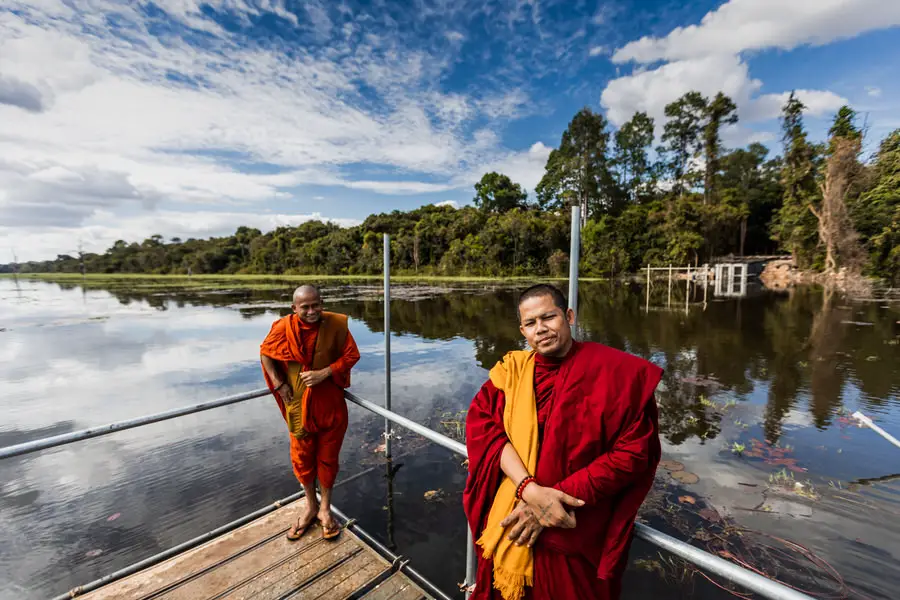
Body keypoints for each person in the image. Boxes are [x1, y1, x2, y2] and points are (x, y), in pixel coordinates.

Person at [463, 284, 663, 600]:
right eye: (531, 323)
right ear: (522, 330)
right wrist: (528, 490)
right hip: (514, 516)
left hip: (573, 522)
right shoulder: (513, 371)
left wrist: (551, 502)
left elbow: (632, 453)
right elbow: (483, 428)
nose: (541, 329)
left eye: (549, 317)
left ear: (568, 316)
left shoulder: (614, 371)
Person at [260, 285, 360, 541]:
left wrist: (324, 373)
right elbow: (265, 353)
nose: (312, 311)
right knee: (303, 459)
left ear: (321, 303)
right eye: (305, 307)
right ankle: (310, 506)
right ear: (294, 309)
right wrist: (279, 383)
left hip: (331, 405)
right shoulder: (283, 327)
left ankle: (325, 509)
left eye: (316, 305)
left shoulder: (336, 325)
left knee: (328, 459)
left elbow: (352, 355)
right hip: (298, 405)